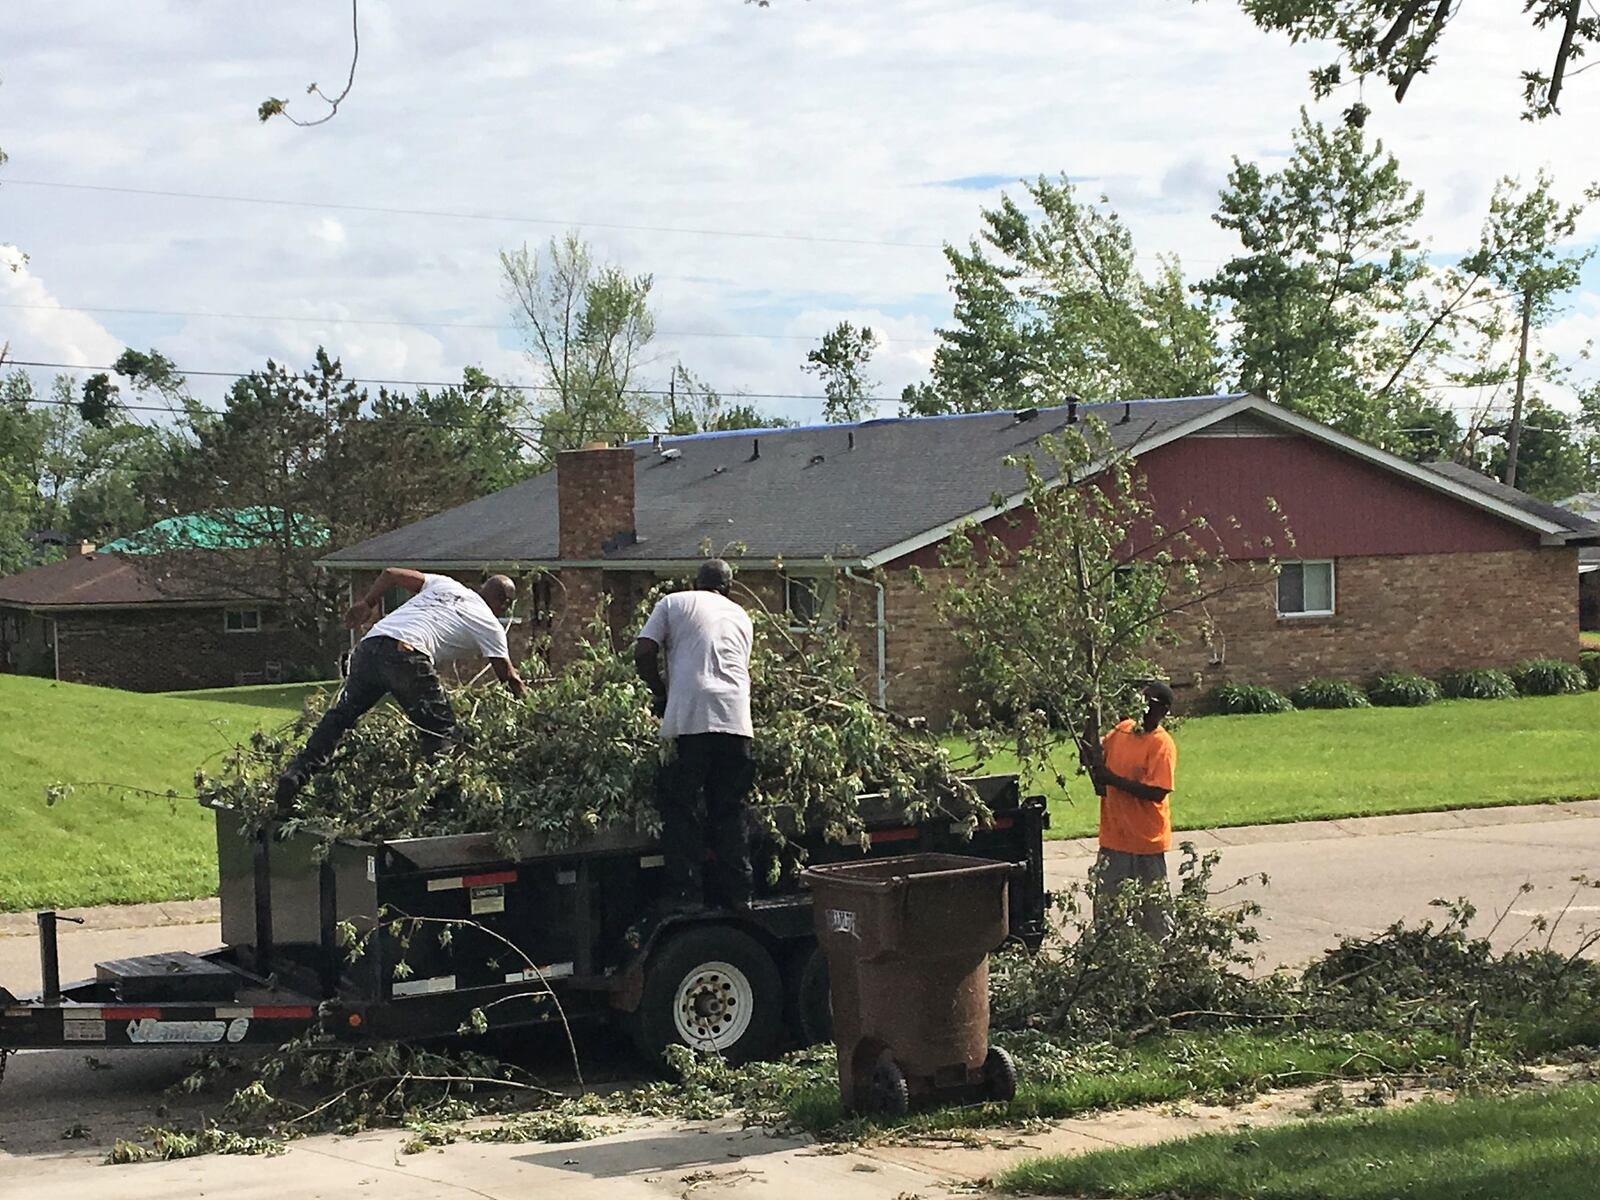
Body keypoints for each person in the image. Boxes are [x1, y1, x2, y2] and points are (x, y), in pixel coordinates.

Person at [274, 568, 527, 808]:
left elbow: (391, 573)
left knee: (340, 717)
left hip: (369, 647)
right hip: (406, 655)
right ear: (505, 604)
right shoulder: (490, 624)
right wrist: (532, 705)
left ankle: (296, 774)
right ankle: (442, 805)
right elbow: (508, 677)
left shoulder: (446, 585)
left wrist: (367, 603)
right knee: (441, 731)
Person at [634, 558, 756, 911]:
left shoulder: (674, 602)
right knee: (730, 809)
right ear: (728, 588)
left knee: (681, 805)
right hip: (737, 722)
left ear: (695, 582)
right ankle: (740, 894)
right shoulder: (742, 616)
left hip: (691, 720)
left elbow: (644, 651)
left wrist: (660, 692)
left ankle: (686, 893)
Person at [1083, 680, 1178, 937]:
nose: (1144, 708)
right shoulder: (1122, 731)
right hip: (1114, 839)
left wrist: (1112, 779)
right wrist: (1089, 716)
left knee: (1155, 916)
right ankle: (1109, 965)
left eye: (1151, 703)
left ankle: (1165, 965)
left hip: (1146, 842)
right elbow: (1090, 755)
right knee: (1107, 914)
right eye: (1141, 701)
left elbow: (1157, 791)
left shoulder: (1161, 744)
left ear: (1164, 711)